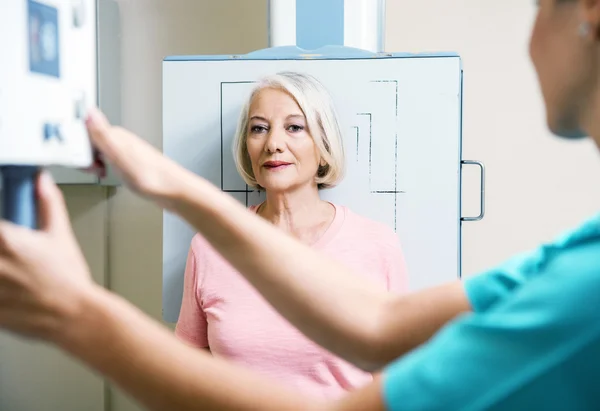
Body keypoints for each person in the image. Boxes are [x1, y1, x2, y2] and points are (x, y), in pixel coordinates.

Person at [0, 0, 599, 409]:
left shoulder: (586, 289)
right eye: (260, 129)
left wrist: (74, 313)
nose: (529, 35)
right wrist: (174, 186)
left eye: (541, 5)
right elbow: (378, 327)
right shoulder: (579, 253)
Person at [174, 71, 408, 399]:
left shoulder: (376, 245)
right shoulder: (211, 246)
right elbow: (189, 359)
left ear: (324, 146)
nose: (273, 144)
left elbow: (395, 376)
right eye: (259, 128)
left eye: (294, 127)